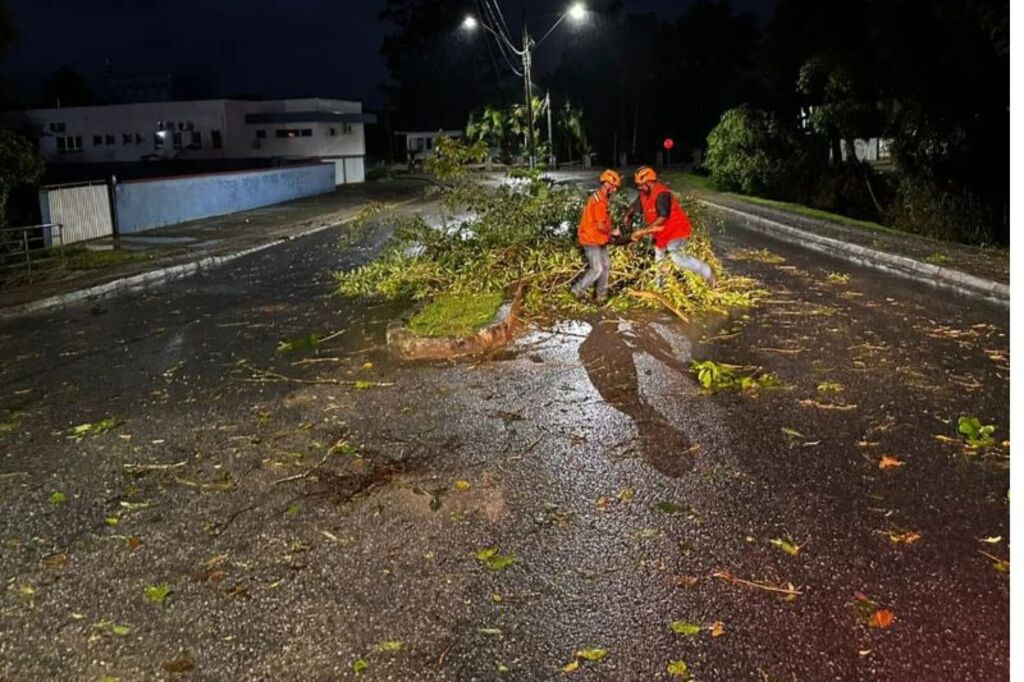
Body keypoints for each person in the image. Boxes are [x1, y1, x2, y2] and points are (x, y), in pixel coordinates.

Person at [624, 166, 715, 286]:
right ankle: (660, 286)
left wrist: (644, 231)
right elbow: (635, 206)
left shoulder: (662, 194)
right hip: (661, 234)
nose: (639, 187)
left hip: (676, 231)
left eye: (641, 184)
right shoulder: (643, 193)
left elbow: (663, 217)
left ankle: (708, 272)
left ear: (650, 182)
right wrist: (627, 215)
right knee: (659, 258)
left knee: (678, 258)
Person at [571, 169, 622, 304]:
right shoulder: (599, 201)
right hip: (591, 239)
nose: (615, 190)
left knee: (606, 265)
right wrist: (612, 232)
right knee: (597, 268)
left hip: (599, 239)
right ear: (607, 184)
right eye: (614, 187)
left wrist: (608, 235)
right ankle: (577, 291)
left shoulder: (602, 198)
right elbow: (600, 226)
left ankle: (601, 296)